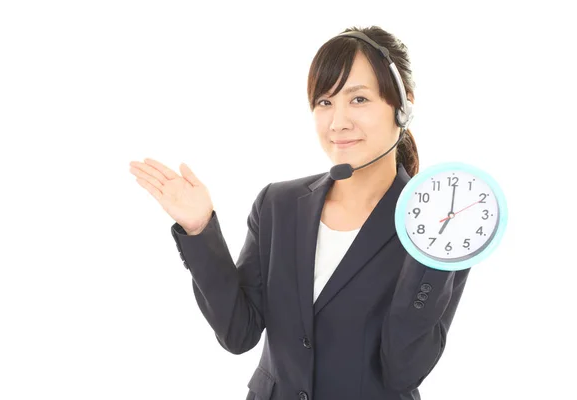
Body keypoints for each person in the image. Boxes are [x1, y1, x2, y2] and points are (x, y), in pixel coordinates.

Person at [129, 25, 470, 400]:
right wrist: (199, 230)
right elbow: (238, 333)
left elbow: (403, 368)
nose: (338, 121)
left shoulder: (440, 223)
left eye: (358, 100)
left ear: (403, 105)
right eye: (325, 102)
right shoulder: (278, 205)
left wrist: (432, 248)